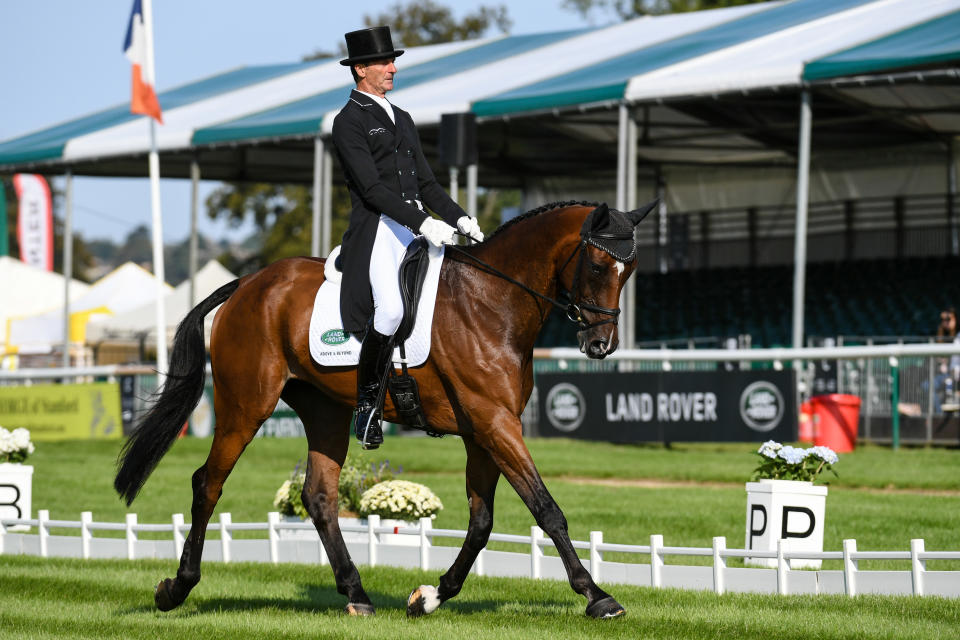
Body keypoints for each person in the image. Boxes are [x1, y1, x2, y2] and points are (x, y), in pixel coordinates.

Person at [331, 26, 484, 449]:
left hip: (414, 223)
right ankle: (366, 408)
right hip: (378, 226)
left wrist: (460, 217)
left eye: (392, 61)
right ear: (361, 69)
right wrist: (422, 224)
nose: (392, 68)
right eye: (383, 62)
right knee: (393, 311)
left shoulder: (402, 118)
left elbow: (428, 184)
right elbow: (372, 190)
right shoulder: (348, 122)